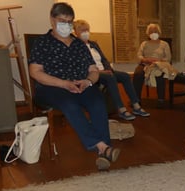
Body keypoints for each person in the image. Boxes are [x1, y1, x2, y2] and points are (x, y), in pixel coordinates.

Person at [29, 2, 120, 171]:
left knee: (98, 101)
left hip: (80, 84)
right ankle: (102, 146)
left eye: (69, 22)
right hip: (51, 87)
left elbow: (93, 70)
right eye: (62, 21)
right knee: (70, 104)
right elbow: (35, 72)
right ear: (52, 20)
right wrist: (63, 83)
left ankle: (103, 153)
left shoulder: (79, 45)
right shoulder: (42, 43)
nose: (66, 25)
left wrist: (88, 81)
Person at [73, 19, 150, 121]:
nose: (85, 33)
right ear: (75, 32)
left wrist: (108, 69)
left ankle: (136, 105)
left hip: (104, 71)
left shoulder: (93, 44)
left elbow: (104, 59)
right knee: (110, 77)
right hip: (92, 74)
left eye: (87, 30)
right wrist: (101, 72)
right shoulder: (75, 47)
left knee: (125, 76)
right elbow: (81, 66)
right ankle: (121, 109)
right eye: (82, 31)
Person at [133, 23, 173, 108]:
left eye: (155, 31)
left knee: (160, 75)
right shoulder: (144, 43)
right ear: (148, 33)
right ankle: (136, 99)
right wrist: (145, 59)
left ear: (159, 32)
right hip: (145, 64)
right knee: (137, 74)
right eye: (151, 31)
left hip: (159, 65)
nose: (153, 33)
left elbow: (168, 58)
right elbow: (139, 55)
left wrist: (158, 61)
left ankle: (161, 99)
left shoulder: (164, 44)